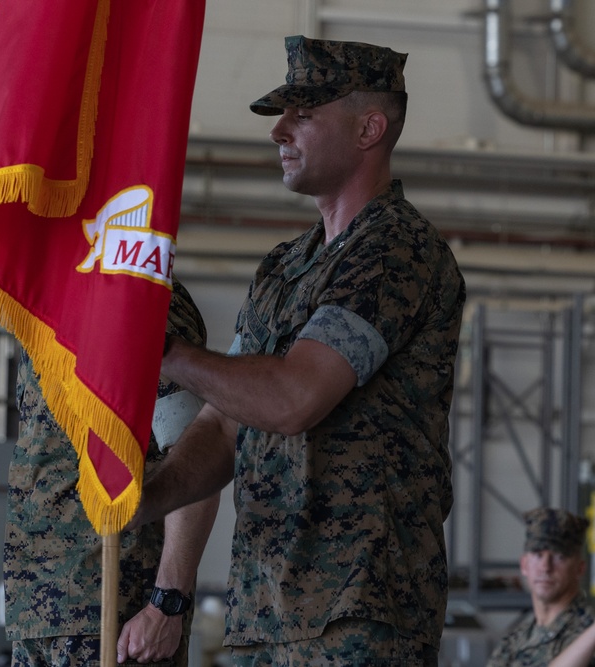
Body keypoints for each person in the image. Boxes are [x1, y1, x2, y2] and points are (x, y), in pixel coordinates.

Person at [129, 35, 467, 666]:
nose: (279, 131)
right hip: (264, 611)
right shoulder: (285, 266)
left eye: (304, 114)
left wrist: (163, 350)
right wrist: (151, 494)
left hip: (357, 614)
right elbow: (227, 423)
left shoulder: (395, 249)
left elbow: (292, 398)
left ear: (370, 128)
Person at [3, 278, 220, 666]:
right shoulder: (49, 303)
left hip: (114, 615)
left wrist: (166, 604)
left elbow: (198, 457)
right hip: (38, 612)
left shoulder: (137, 298)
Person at [487, 507, 595, 667]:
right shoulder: (514, 641)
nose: (545, 567)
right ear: (524, 565)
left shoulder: (589, 631)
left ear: (579, 568)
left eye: (559, 556)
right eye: (538, 555)